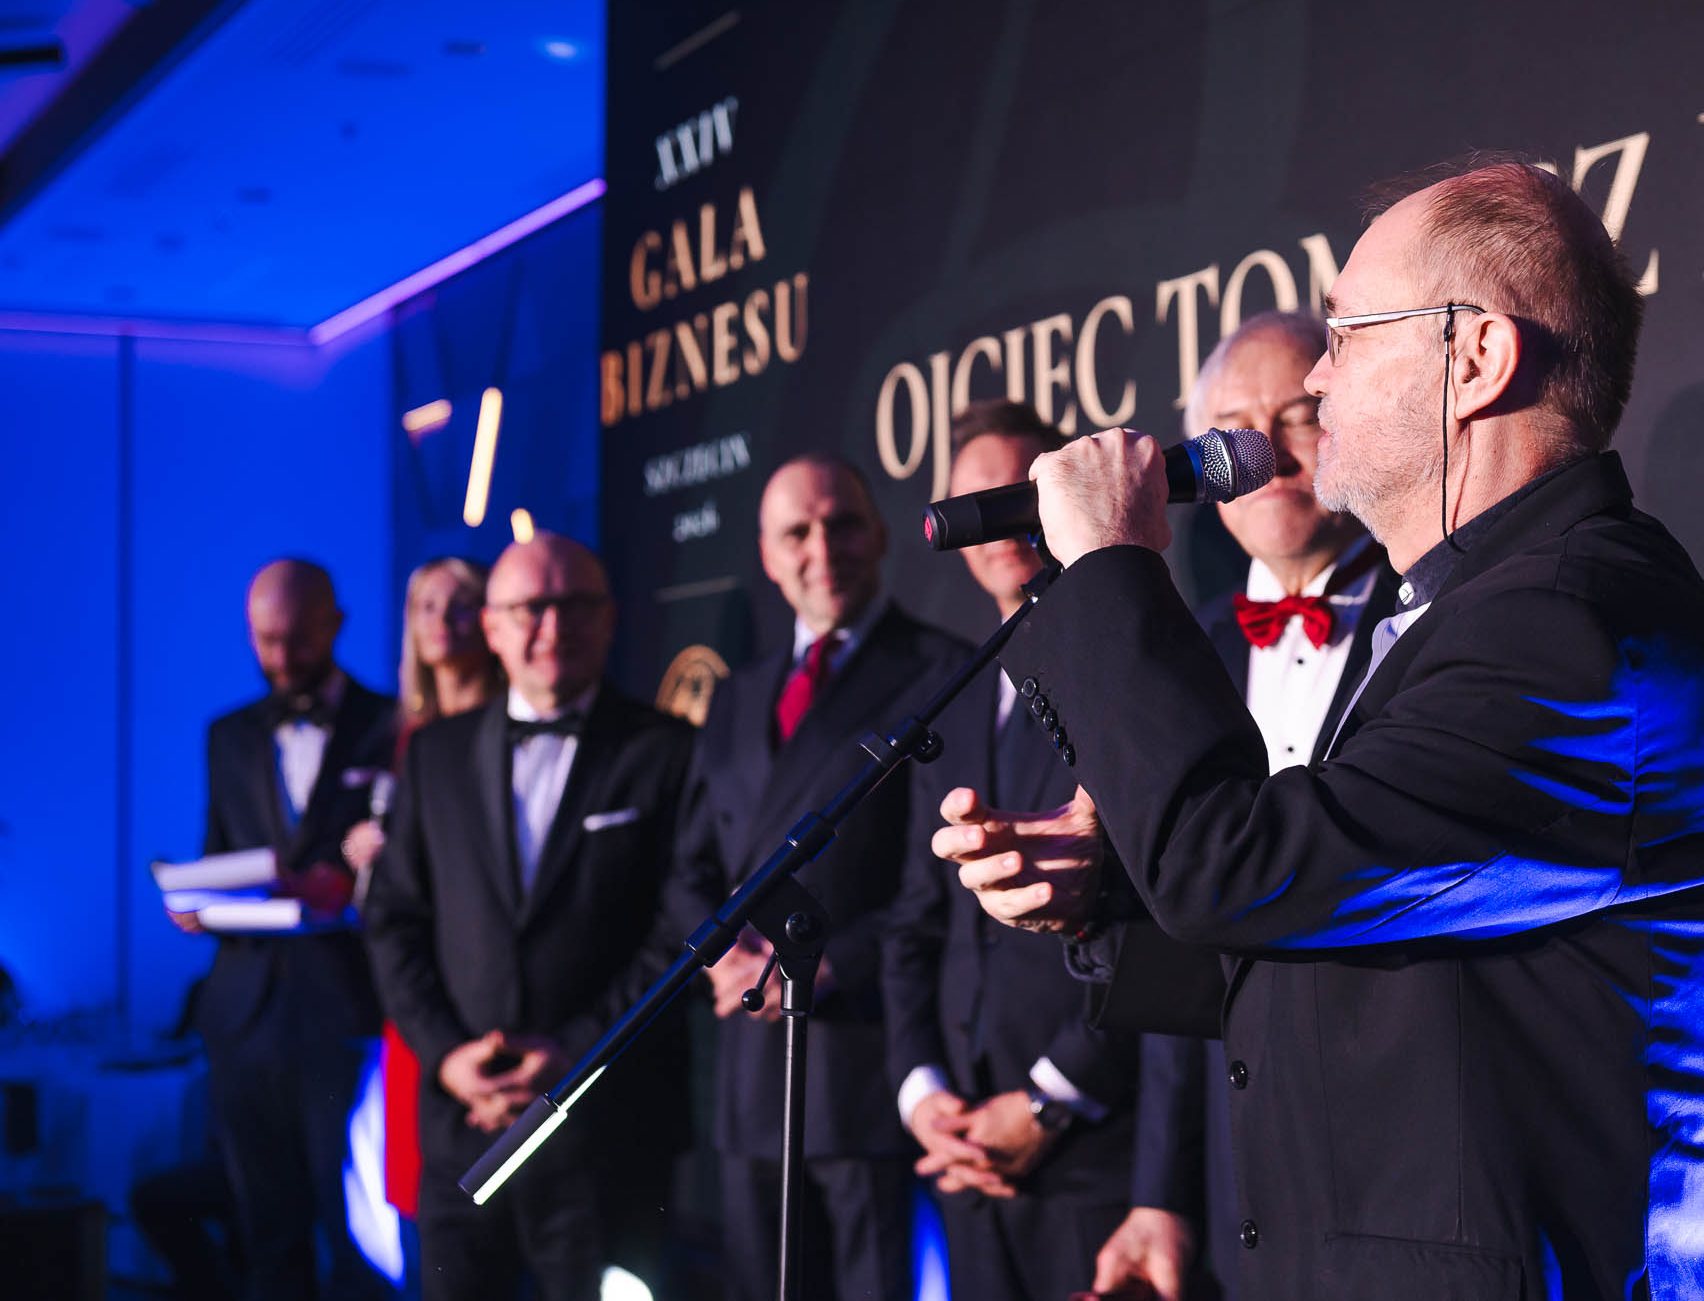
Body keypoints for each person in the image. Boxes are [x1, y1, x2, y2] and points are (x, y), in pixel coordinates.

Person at [931, 158, 1704, 1298]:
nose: (1317, 378)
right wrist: (1103, 894)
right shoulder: (1488, 610)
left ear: (1475, 358)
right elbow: (1346, 949)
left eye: (1345, 335)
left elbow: (1231, 866)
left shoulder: (1572, 624)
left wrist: (1108, 564)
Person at [1092, 308, 1398, 1301]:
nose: (1267, 451)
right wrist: (1159, 1194)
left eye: (1299, 414)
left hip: (1406, 1155)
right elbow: (1183, 938)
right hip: (1241, 1174)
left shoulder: (1439, 624)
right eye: (1234, 428)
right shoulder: (1188, 657)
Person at [670, 452, 970, 1301]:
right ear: (768, 555)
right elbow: (690, 867)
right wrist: (720, 958)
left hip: (861, 1068)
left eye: (841, 524)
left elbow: (937, 884)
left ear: (879, 534)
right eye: (797, 532)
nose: (822, 548)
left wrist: (828, 963)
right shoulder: (737, 696)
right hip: (747, 1076)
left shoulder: (943, 670)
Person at [363, 534, 694, 1301]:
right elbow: (395, 920)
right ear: (493, 626)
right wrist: (447, 1055)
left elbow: (682, 931)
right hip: (463, 1128)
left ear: (609, 618)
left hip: (609, 1131)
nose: (553, 626)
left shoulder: (667, 749)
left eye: (575, 604)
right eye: (529, 608)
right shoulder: (434, 754)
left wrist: (574, 1053)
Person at [883, 401, 1143, 1301]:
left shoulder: (1134, 669)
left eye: (1018, 492)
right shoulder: (947, 696)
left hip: (1097, 1154)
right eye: (976, 501)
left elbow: (1163, 915)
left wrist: (1048, 1100)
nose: (998, 519)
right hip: (962, 1157)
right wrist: (923, 1095)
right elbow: (916, 920)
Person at [169, 558, 396, 1301]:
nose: (282, 657)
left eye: (297, 638)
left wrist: (355, 880)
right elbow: (217, 852)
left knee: (358, 1232)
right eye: (266, 640)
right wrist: (196, 900)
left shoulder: (390, 723)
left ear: (335, 624)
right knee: (267, 1235)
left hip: (347, 1008)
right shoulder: (229, 735)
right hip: (243, 1015)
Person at [340, 557, 502, 1223]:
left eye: (460, 604)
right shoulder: (397, 734)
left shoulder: (509, 721)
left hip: (489, 971)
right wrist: (361, 850)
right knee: (426, 1192)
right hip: (416, 987)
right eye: (426, 607)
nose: (443, 622)